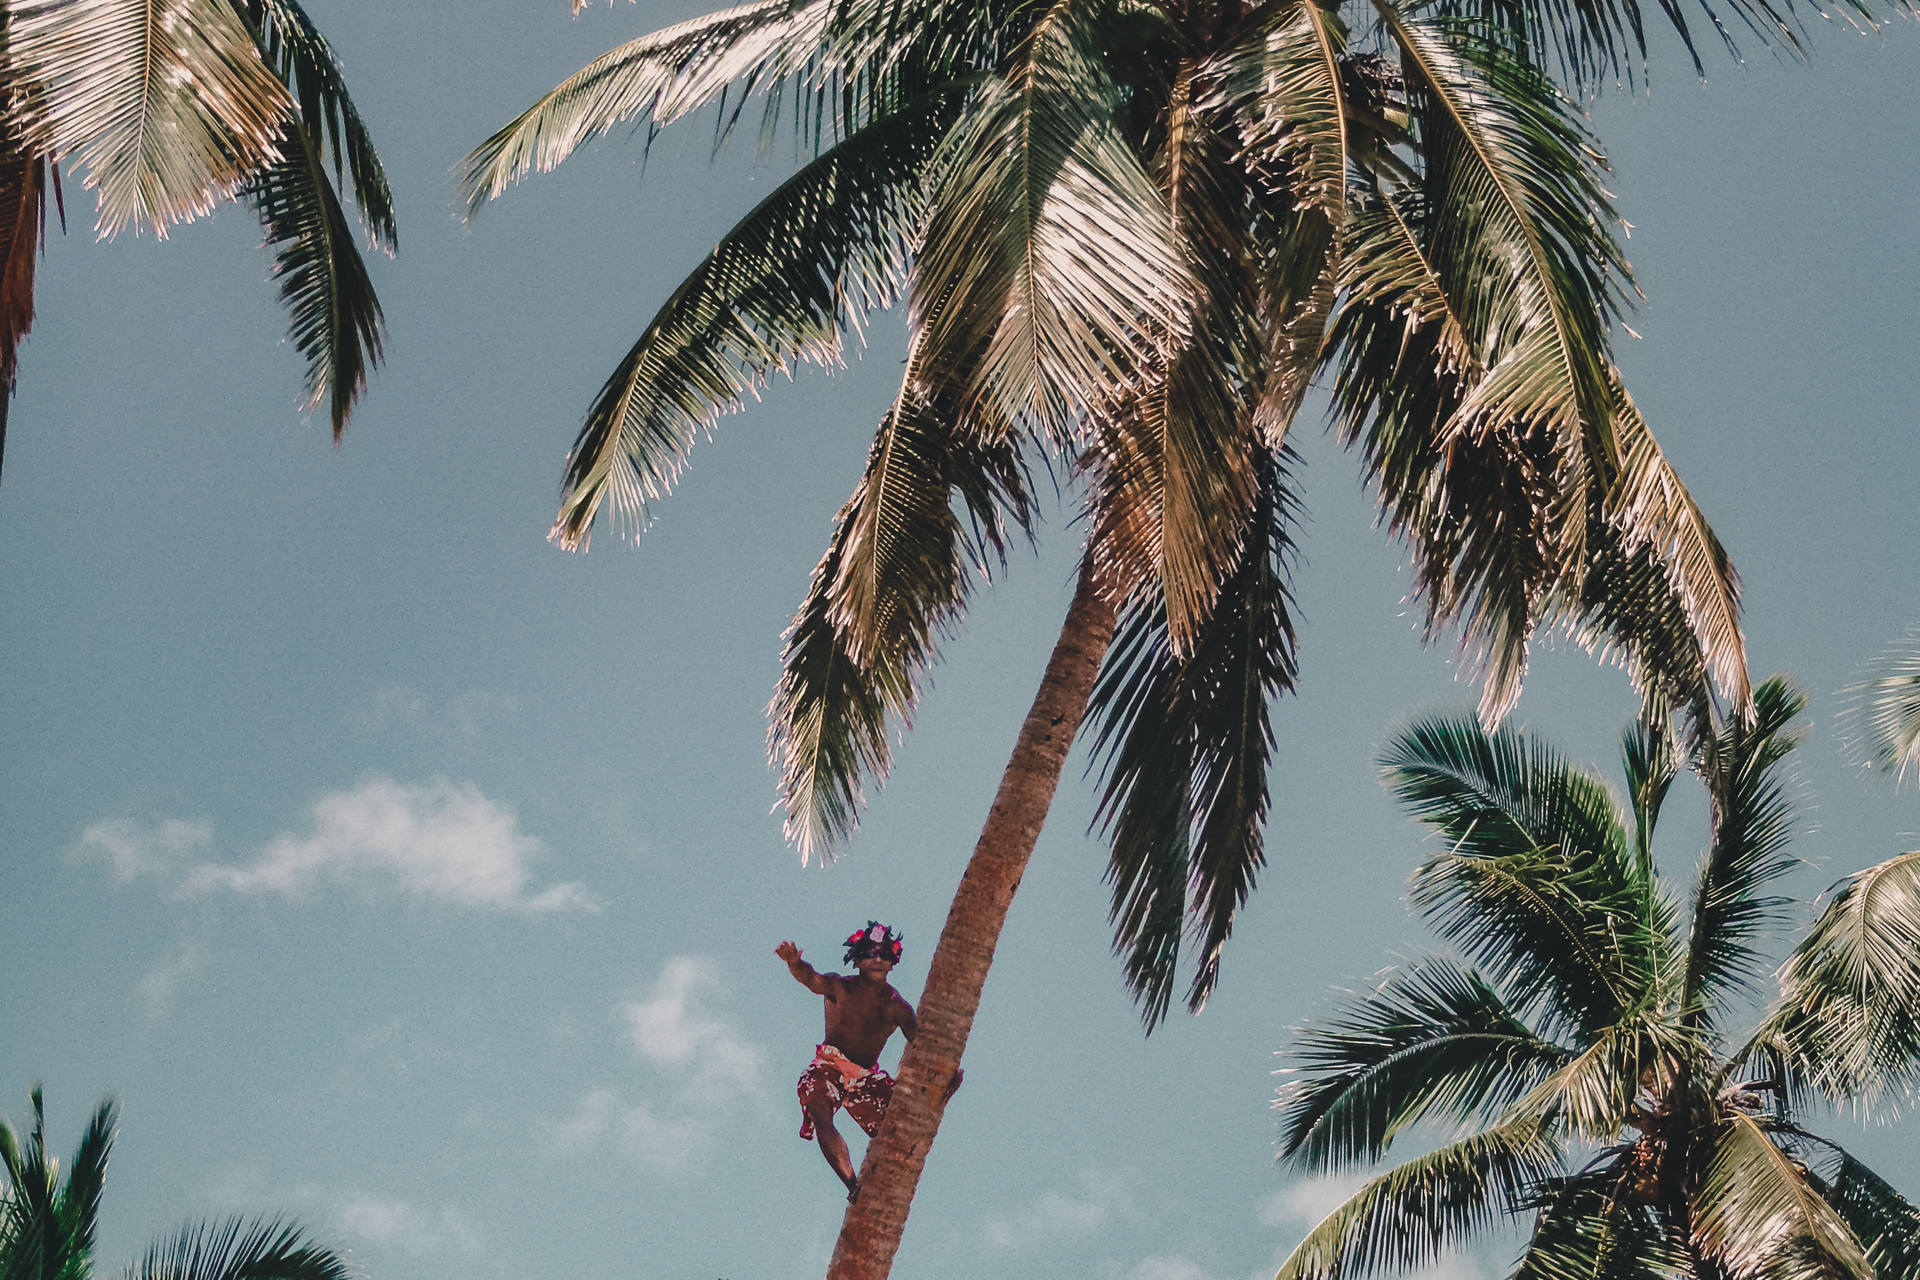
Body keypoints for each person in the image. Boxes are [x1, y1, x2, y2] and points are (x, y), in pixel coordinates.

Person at [776, 922, 959, 1202]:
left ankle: (938, 1095)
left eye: (885, 954)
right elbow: (811, 979)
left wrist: (943, 1072)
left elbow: (922, 1044)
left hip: (866, 1079)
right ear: (858, 960)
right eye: (871, 953)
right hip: (829, 1066)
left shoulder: (897, 1007)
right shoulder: (840, 987)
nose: (877, 959)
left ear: (892, 963)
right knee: (820, 1110)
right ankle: (852, 1185)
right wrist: (794, 962)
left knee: (903, 1121)